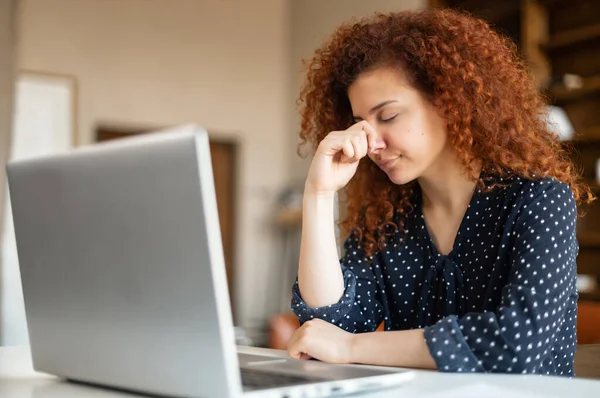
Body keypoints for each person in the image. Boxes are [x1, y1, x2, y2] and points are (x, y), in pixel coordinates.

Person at [286, 8, 594, 376]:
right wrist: (319, 194)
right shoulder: (387, 217)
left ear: (449, 100)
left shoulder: (539, 197)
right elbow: (330, 323)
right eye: (362, 126)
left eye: (388, 117)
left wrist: (352, 347)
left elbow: (515, 343)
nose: (372, 144)